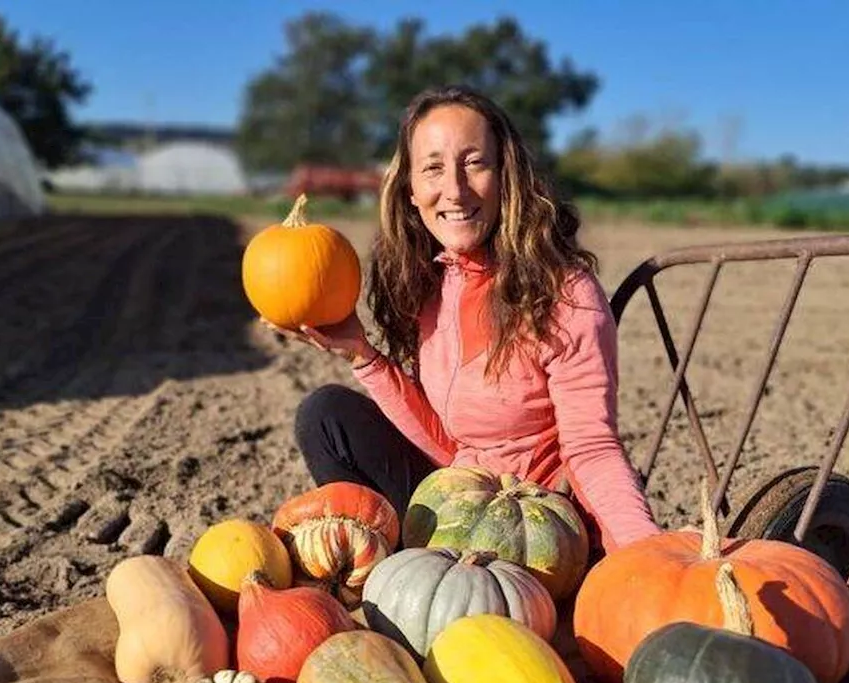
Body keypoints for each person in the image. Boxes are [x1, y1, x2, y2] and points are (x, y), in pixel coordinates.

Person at [263, 85, 660, 553]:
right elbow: (448, 444)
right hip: (459, 498)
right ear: (411, 189)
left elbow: (592, 449)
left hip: (531, 529)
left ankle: (416, 580)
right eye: (433, 168)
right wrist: (362, 354)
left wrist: (646, 556)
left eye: (474, 163)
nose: (454, 189)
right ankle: (380, 570)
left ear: (505, 175)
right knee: (326, 414)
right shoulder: (436, 282)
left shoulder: (563, 294)